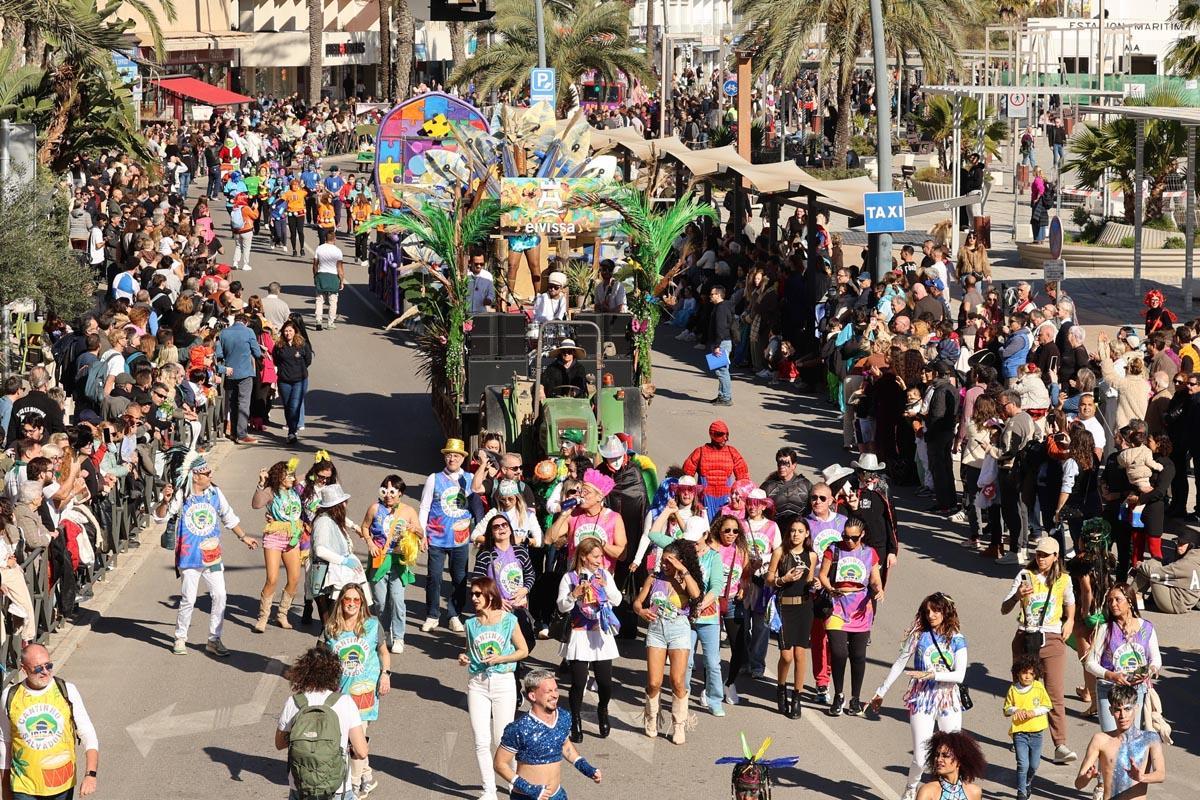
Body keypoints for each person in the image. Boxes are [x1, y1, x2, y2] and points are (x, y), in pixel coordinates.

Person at [156, 455, 258, 657]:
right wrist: (164, 502)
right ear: (195, 476)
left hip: (212, 555)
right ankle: (180, 637)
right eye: (206, 473)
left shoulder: (215, 493)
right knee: (188, 598)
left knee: (220, 595)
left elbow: (228, 516)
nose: (211, 475)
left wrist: (244, 537)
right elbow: (160, 518)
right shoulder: (182, 495)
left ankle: (214, 639)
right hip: (189, 557)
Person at [870, 593, 968, 800]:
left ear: (946, 611)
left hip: (948, 699)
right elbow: (900, 663)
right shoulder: (919, 635)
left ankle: (950, 794)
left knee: (952, 753)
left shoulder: (957, 639)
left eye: (936, 610)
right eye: (927, 611)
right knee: (922, 758)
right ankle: (911, 788)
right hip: (922, 698)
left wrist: (932, 674)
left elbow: (959, 675)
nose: (931, 615)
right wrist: (881, 691)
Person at [1002, 535, 1078, 763]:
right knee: (1024, 691)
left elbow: (1070, 602)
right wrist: (1017, 596)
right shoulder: (1024, 575)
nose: (1041, 558)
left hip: (1052, 638)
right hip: (1026, 637)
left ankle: (1060, 745)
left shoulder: (1063, 579)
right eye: (1038, 554)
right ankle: (1022, 737)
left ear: (1056, 557)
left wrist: (1070, 621)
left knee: (1054, 693)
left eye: (1046, 555)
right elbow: (1004, 608)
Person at [0, 644, 99, 800]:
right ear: (24, 669)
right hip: (23, 786)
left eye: (49, 666)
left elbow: (87, 733)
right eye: (38, 669)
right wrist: (5, 788)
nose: (45, 672)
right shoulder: (10, 696)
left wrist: (90, 774)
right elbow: (4, 742)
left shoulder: (66, 690)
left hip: (62, 785)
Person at [461, 575, 529, 800]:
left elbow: (523, 650)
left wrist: (501, 658)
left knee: (504, 739)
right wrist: (465, 658)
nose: (474, 598)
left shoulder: (508, 620)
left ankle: (513, 783)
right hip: (477, 683)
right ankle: (488, 790)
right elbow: (471, 653)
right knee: (481, 740)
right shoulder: (471, 624)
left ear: (490, 595)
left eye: (478, 594)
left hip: (503, 683)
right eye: (472, 594)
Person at [274, 645, 368, 800]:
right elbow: (362, 752)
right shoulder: (345, 702)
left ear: (302, 672)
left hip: (301, 787)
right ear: (335, 673)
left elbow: (279, 743)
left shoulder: (294, 702)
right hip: (337, 789)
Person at [322, 583, 390, 798]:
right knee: (350, 739)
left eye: (356, 600)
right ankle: (367, 776)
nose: (351, 604)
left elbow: (384, 652)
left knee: (355, 740)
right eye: (347, 599)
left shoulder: (371, 625)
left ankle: (350, 787)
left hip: (365, 692)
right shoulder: (331, 628)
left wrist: (386, 674)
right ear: (341, 602)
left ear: (362, 604)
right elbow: (321, 658)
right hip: (341, 693)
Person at [633, 540, 703, 745]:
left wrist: (683, 570)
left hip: (679, 630)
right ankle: (651, 716)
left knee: (677, 681)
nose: (664, 565)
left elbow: (696, 594)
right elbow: (638, 602)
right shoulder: (654, 578)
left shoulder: (684, 580)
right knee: (654, 682)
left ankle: (679, 724)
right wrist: (641, 610)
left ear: (680, 562)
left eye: (669, 561)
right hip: (656, 631)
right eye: (663, 560)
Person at [494, 670, 603, 800]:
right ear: (533, 696)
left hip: (557, 795)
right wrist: (529, 789)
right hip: (527, 797)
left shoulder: (563, 717)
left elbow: (565, 745)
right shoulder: (518, 728)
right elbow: (499, 764)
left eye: (556, 690)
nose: (555, 695)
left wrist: (586, 768)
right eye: (548, 691)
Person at [556, 538, 622, 742]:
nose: (599, 560)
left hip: (600, 633)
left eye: (601, 556)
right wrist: (573, 595)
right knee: (578, 683)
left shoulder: (605, 575)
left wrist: (606, 587)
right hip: (579, 634)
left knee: (605, 683)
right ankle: (575, 721)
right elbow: (561, 606)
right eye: (595, 556)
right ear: (583, 557)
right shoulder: (569, 577)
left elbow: (618, 600)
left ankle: (602, 710)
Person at [817, 516, 884, 716]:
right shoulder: (834, 549)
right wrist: (829, 589)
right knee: (838, 653)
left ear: (862, 535)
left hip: (861, 608)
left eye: (853, 538)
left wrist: (879, 590)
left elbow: (875, 579)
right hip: (837, 606)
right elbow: (822, 574)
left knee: (858, 655)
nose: (849, 541)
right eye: (845, 536)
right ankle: (838, 694)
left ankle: (855, 698)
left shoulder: (869, 553)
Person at [1084, 583, 1161, 733]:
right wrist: (1111, 675)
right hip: (1109, 690)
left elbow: (1156, 659)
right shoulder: (1105, 629)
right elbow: (1090, 663)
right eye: (1110, 600)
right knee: (1112, 739)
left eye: (1118, 600)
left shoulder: (1146, 628)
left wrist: (1151, 670)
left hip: (1137, 690)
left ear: (1130, 601)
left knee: (1133, 739)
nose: (1113, 604)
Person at [359, 474, 422, 654]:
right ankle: (384, 633)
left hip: (398, 562)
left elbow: (420, 532)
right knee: (379, 602)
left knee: (397, 600)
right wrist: (370, 543)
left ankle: (399, 636)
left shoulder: (408, 511)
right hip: (379, 561)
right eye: (385, 491)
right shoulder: (374, 508)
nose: (388, 495)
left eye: (393, 491)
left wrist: (414, 530)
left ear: (400, 493)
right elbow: (365, 527)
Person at [419, 438, 475, 633]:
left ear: (462, 458)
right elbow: (425, 506)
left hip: (460, 537)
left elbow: (477, 504)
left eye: (456, 455)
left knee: (459, 578)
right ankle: (432, 614)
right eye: (449, 455)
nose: (452, 458)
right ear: (444, 457)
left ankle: (454, 614)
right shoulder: (434, 478)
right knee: (434, 577)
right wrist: (422, 533)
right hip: (436, 536)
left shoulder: (469, 478)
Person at [1074, 683, 1165, 800]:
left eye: (1127, 709)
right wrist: (1087, 777)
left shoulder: (1150, 739)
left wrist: (1141, 777)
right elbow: (1078, 784)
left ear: (1136, 708)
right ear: (1111, 711)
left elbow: (1161, 774)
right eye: (1117, 710)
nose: (1122, 715)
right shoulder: (1100, 740)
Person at [765, 516, 816, 718]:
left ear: (807, 534)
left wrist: (815, 585)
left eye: (800, 531)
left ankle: (797, 697)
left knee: (800, 655)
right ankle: (781, 688)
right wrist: (782, 579)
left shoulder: (811, 556)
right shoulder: (780, 552)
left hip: (804, 608)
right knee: (786, 656)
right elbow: (769, 579)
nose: (795, 534)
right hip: (784, 608)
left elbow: (810, 579)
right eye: (793, 530)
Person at [249, 460, 305, 632]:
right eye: (287, 475)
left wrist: (321, 462)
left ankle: (282, 614)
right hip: (274, 536)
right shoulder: (271, 491)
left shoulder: (295, 489)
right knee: (272, 579)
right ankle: (263, 617)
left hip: (293, 537)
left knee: (294, 579)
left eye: (292, 475)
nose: (291, 478)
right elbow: (256, 504)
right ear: (279, 477)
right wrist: (261, 483)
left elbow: (310, 476)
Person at [685, 518, 728, 718]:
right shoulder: (683, 554)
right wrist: (669, 511)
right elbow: (654, 536)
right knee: (686, 661)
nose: (693, 543)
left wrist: (701, 604)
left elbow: (717, 586)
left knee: (712, 662)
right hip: (685, 617)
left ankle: (714, 699)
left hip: (708, 618)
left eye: (696, 538)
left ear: (705, 535)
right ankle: (682, 696)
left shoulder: (714, 557)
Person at [545, 469, 627, 574]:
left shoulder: (614, 518)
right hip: (574, 578)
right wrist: (564, 515)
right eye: (581, 491)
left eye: (586, 492)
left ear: (599, 497)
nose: (581, 495)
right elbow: (548, 539)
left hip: (601, 580)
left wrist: (601, 543)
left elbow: (622, 555)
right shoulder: (573, 514)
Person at [310, 483, 369, 624]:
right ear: (337, 506)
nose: (346, 505)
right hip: (326, 579)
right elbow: (320, 550)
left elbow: (345, 522)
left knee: (334, 624)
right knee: (330, 624)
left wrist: (354, 527)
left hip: (335, 575)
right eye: (343, 502)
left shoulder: (332, 518)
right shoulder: (324, 522)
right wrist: (344, 561)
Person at [1005, 653, 1053, 800]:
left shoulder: (1038, 687)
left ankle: (1027, 783)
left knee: (1034, 765)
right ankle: (1021, 793)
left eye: (1031, 674)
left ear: (1035, 674)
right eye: (1024, 673)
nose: (1027, 676)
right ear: (1018, 673)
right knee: (1022, 764)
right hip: (1020, 733)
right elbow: (1006, 709)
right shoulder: (1013, 690)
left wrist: (1034, 712)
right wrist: (1015, 710)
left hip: (1037, 733)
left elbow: (1047, 706)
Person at [681, 419, 750, 518]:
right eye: (721, 435)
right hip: (705, 500)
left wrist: (742, 501)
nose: (725, 438)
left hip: (727, 500)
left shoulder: (732, 452)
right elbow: (686, 479)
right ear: (712, 435)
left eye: (727, 435)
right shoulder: (700, 452)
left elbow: (743, 480)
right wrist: (693, 500)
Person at [215, 313, 263, 444]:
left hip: (229, 372)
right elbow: (257, 352)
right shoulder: (249, 332)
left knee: (233, 403)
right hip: (245, 372)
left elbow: (219, 354)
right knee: (243, 403)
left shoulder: (223, 333)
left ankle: (234, 433)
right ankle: (242, 434)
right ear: (246, 322)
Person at [1132, 528, 1200, 613]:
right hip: (1183, 601)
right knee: (1155, 563)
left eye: (1182, 544)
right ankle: (1135, 595)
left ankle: (1128, 595)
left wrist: (1140, 566)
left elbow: (1155, 574)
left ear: (1191, 545)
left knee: (1151, 565)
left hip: (1174, 604)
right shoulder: (1196, 558)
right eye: (1178, 542)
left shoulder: (1186, 563)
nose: (1179, 546)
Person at [915, 731, 986, 800]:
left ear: (960, 761)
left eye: (945, 756)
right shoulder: (927, 791)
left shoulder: (974, 792)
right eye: (937, 755)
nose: (939, 759)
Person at [273, 319, 312, 444]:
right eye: (285, 331)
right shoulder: (279, 346)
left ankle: (292, 432)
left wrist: (298, 369)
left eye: (290, 331)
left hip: (299, 380)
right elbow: (276, 360)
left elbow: (308, 360)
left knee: (295, 406)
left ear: (295, 331)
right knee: (288, 406)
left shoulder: (302, 344)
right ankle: (291, 427)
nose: (288, 333)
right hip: (284, 381)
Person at [707, 284, 736, 406]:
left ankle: (726, 397)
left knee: (722, 371)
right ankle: (722, 395)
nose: (710, 296)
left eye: (712, 294)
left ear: (719, 295)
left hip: (722, 342)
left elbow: (721, 328)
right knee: (721, 370)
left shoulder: (721, 309)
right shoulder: (723, 307)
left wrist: (717, 345)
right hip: (723, 341)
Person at [313, 230, 345, 331]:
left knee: (319, 300)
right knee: (333, 301)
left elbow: (315, 264)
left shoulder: (319, 248)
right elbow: (340, 268)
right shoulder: (338, 251)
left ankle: (318, 320)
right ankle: (330, 323)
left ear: (325, 238)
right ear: (334, 239)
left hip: (321, 275)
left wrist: (315, 276)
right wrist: (341, 281)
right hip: (333, 277)